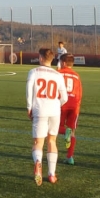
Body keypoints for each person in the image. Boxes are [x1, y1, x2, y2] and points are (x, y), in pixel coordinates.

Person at [27, 47, 68, 185]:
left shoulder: (34, 72)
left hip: (40, 110)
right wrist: (56, 104)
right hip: (55, 111)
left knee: (38, 143)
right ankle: (51, 174)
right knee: (52, 141)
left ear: (40, 58)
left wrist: (29, 107)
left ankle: (38, 161)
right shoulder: (58, 75)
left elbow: (29, 91)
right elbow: (65, 97)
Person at [57, 52, 83, 165]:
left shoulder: (58, 73)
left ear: (63, 63)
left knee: (53, 128)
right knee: (72, 132)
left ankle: (50, 154)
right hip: (74, 106)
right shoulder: (77, 76)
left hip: (61, 104)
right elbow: (80, 93)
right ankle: (70, 157)